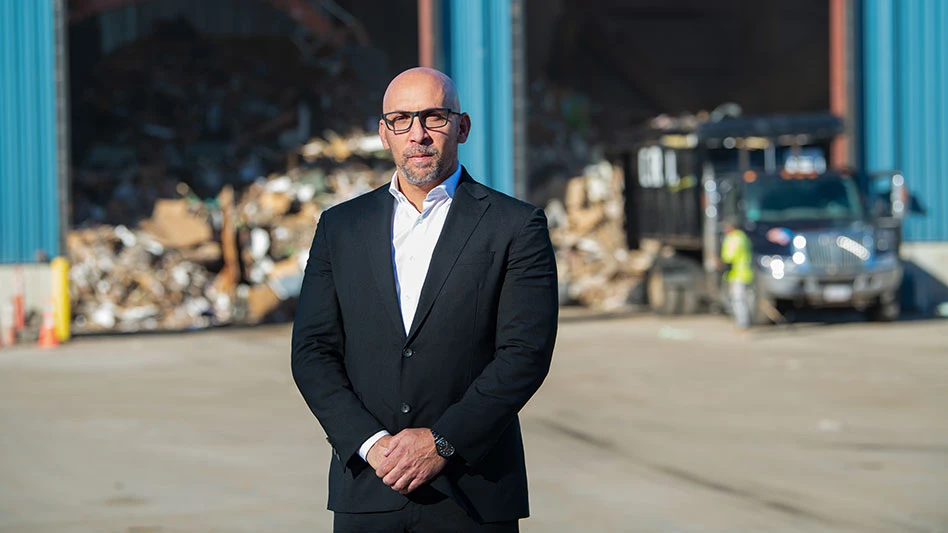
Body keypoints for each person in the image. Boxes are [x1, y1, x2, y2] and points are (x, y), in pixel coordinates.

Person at [291, 67, 559, 532]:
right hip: (368, 490)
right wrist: (371, 444)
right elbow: (312, 351)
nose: (418, 134)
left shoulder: (515, 227)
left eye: (434, 117)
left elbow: (524, 355)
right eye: (401, 120)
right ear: (383, 133)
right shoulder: (341, 227)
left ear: (462, 126)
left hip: (472, 493)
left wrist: (441, 443)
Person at [720, 217, 754, 329]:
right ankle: (743, 321)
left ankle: (742, 323)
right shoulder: (743, 237)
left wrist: (721, 263)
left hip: (737, 274)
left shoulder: (733, 238)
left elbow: (729, 257)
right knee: (743, 298)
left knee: (737, 299)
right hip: (745, 273)